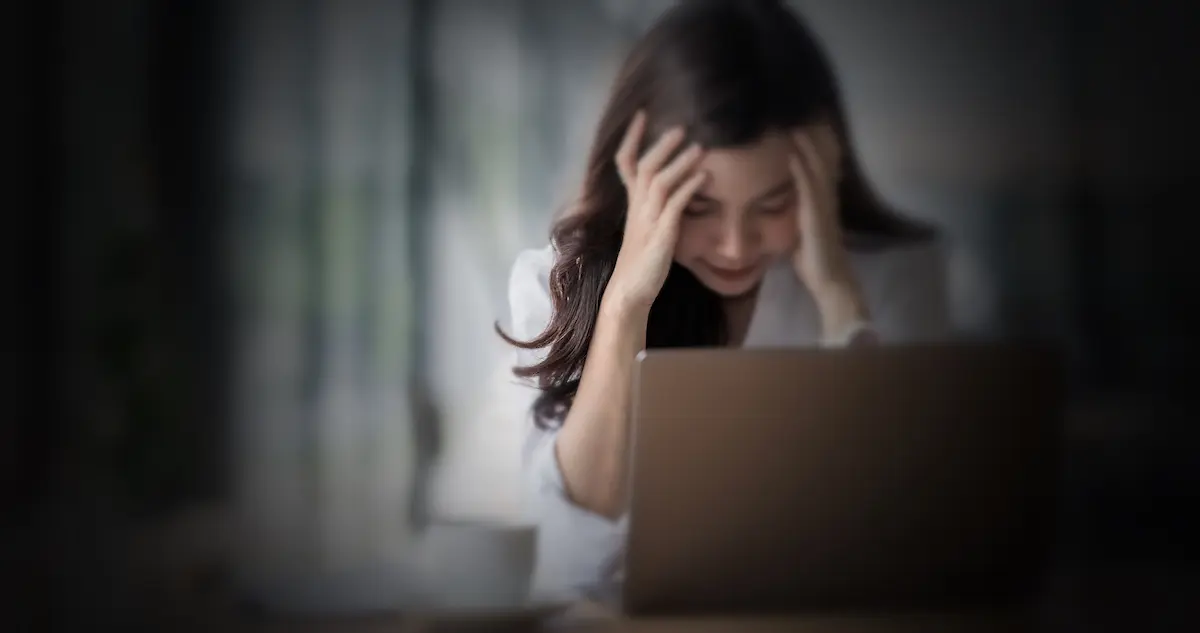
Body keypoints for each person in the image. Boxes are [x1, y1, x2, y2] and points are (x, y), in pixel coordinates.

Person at [497, 0, 952, 607]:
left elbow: (909, 535)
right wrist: (626, 305)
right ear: (635, 182)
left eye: (772, 204)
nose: (736, 246)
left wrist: (840, 301)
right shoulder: (558, 283)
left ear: (824, 174)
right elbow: (574, 562)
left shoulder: (894, 276)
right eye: (698, 207)